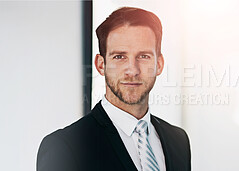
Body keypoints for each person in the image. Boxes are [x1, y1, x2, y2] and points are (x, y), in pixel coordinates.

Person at [37, 7, 191, 171]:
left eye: (143, 56)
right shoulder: (65, 147)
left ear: (159, 64)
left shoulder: (179, 141)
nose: (132, 70)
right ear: (101, 65)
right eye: (119, 57)